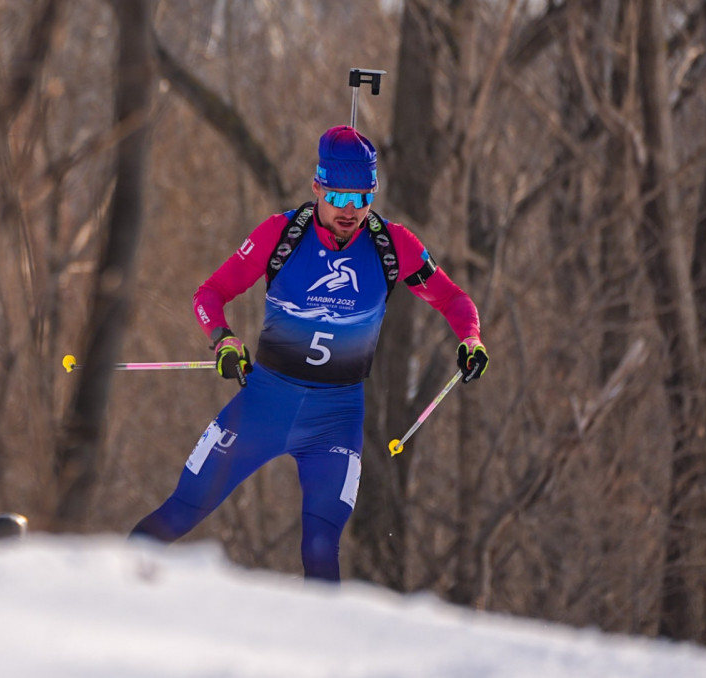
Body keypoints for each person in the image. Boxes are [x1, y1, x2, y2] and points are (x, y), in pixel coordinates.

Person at [130, 125, 488, 582]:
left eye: (363, 198)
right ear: (317, 186)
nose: (350, 211)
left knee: (321, 547)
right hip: (263, 405)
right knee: (181, 512)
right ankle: (98, 599)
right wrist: (223, 339)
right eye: (339, 197)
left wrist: (470, 338)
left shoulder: (392, 245)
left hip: (335, 420)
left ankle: (325, 651)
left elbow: (454, 300)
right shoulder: (281, 235)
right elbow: (210, 293)